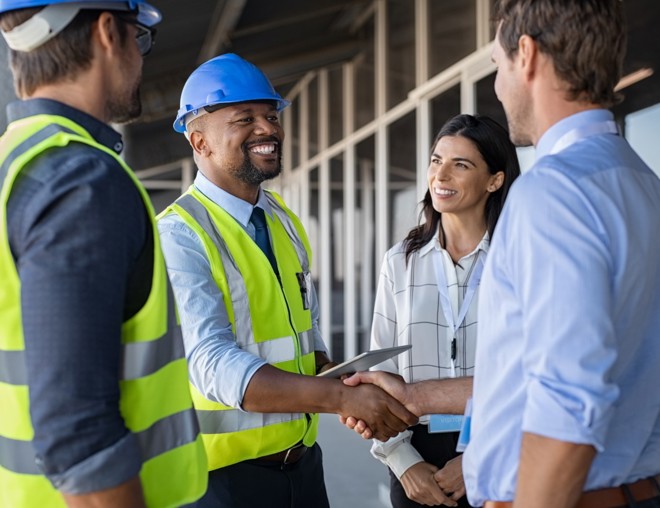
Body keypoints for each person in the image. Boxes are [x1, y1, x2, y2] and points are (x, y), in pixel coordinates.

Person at [348, 1, 660, 507]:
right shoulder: (643, 184)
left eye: (497, 65)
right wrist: (415, 398)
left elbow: (566, 401)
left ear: (527, 55)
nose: (498, 84)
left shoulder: (553, 194)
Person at [157, 52, 417, 508]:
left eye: (271, 115)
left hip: (302, 468)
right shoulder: (179, 234)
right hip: (221, 484)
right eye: (245, 118)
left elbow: (304, 333)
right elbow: (213, 364)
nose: (268, 129)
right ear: (199, 141)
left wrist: (344, 381)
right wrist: (337, 398)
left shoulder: (280, 220)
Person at [0, 1, 208, 507]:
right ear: (108, 32)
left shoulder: (14, 160)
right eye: (140, 38)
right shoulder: (79, 181)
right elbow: (79, 435)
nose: (141, 59)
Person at [368, 114, 519, 508]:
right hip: (416, 456)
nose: (441, 175)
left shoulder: (519, 259)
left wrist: (479, 458)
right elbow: (382, 370)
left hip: (501, 452)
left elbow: (531, 372)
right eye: (436, 161)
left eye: (460, 164)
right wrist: (403, 462)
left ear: (495, 180)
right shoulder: (399, 261)